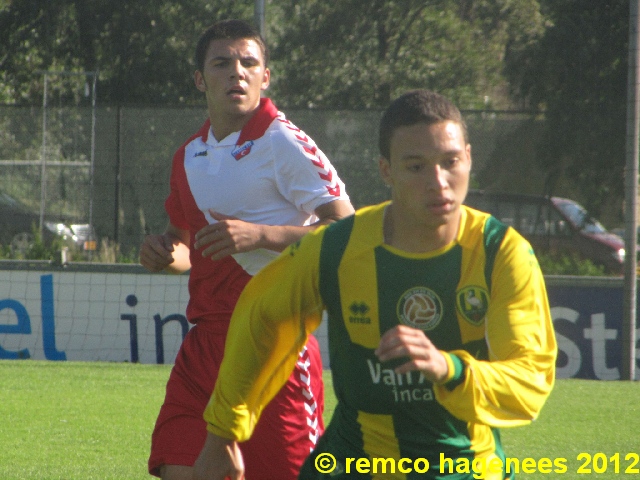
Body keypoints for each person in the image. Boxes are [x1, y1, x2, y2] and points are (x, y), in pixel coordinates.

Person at [192, 89, 558, 480]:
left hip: (464, 467)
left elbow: (529, 379)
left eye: (450, 162)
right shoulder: (336, 247)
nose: (439, 182)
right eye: (416, 167)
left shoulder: (502, 252)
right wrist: (223, 434)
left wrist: (449, 369)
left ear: (468, 157)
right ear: (387, 171)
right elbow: (260, 318)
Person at [139, 19, 354, 480]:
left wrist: (260, 235)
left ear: (265, 77)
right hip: (205, 345)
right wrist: (162, 254)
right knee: (180, 468)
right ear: (200, 79)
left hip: (273, 341)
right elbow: (188, 247)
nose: (236, 72)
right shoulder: (188, 155)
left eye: (248, 62)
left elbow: (349, 230)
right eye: (222, 63)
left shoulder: (283, 141)